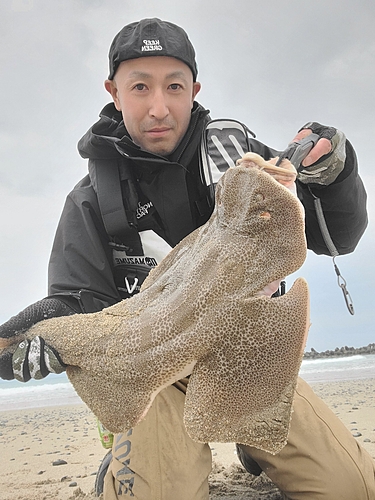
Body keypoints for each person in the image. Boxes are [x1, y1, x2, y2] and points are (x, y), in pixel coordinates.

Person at [0, 18, 373, 500]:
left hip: (250, 358)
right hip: (153, 373)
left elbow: (337, 238)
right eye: (140, 87)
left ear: (194, 89)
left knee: (353, 489)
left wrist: (333, 177)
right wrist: (45, 335)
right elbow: (79, 306)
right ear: (114, 93)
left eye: (174, 86)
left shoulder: (240, 163)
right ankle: (120, 464)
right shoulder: (91, 202)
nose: (159, 107)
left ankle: (254, 440)